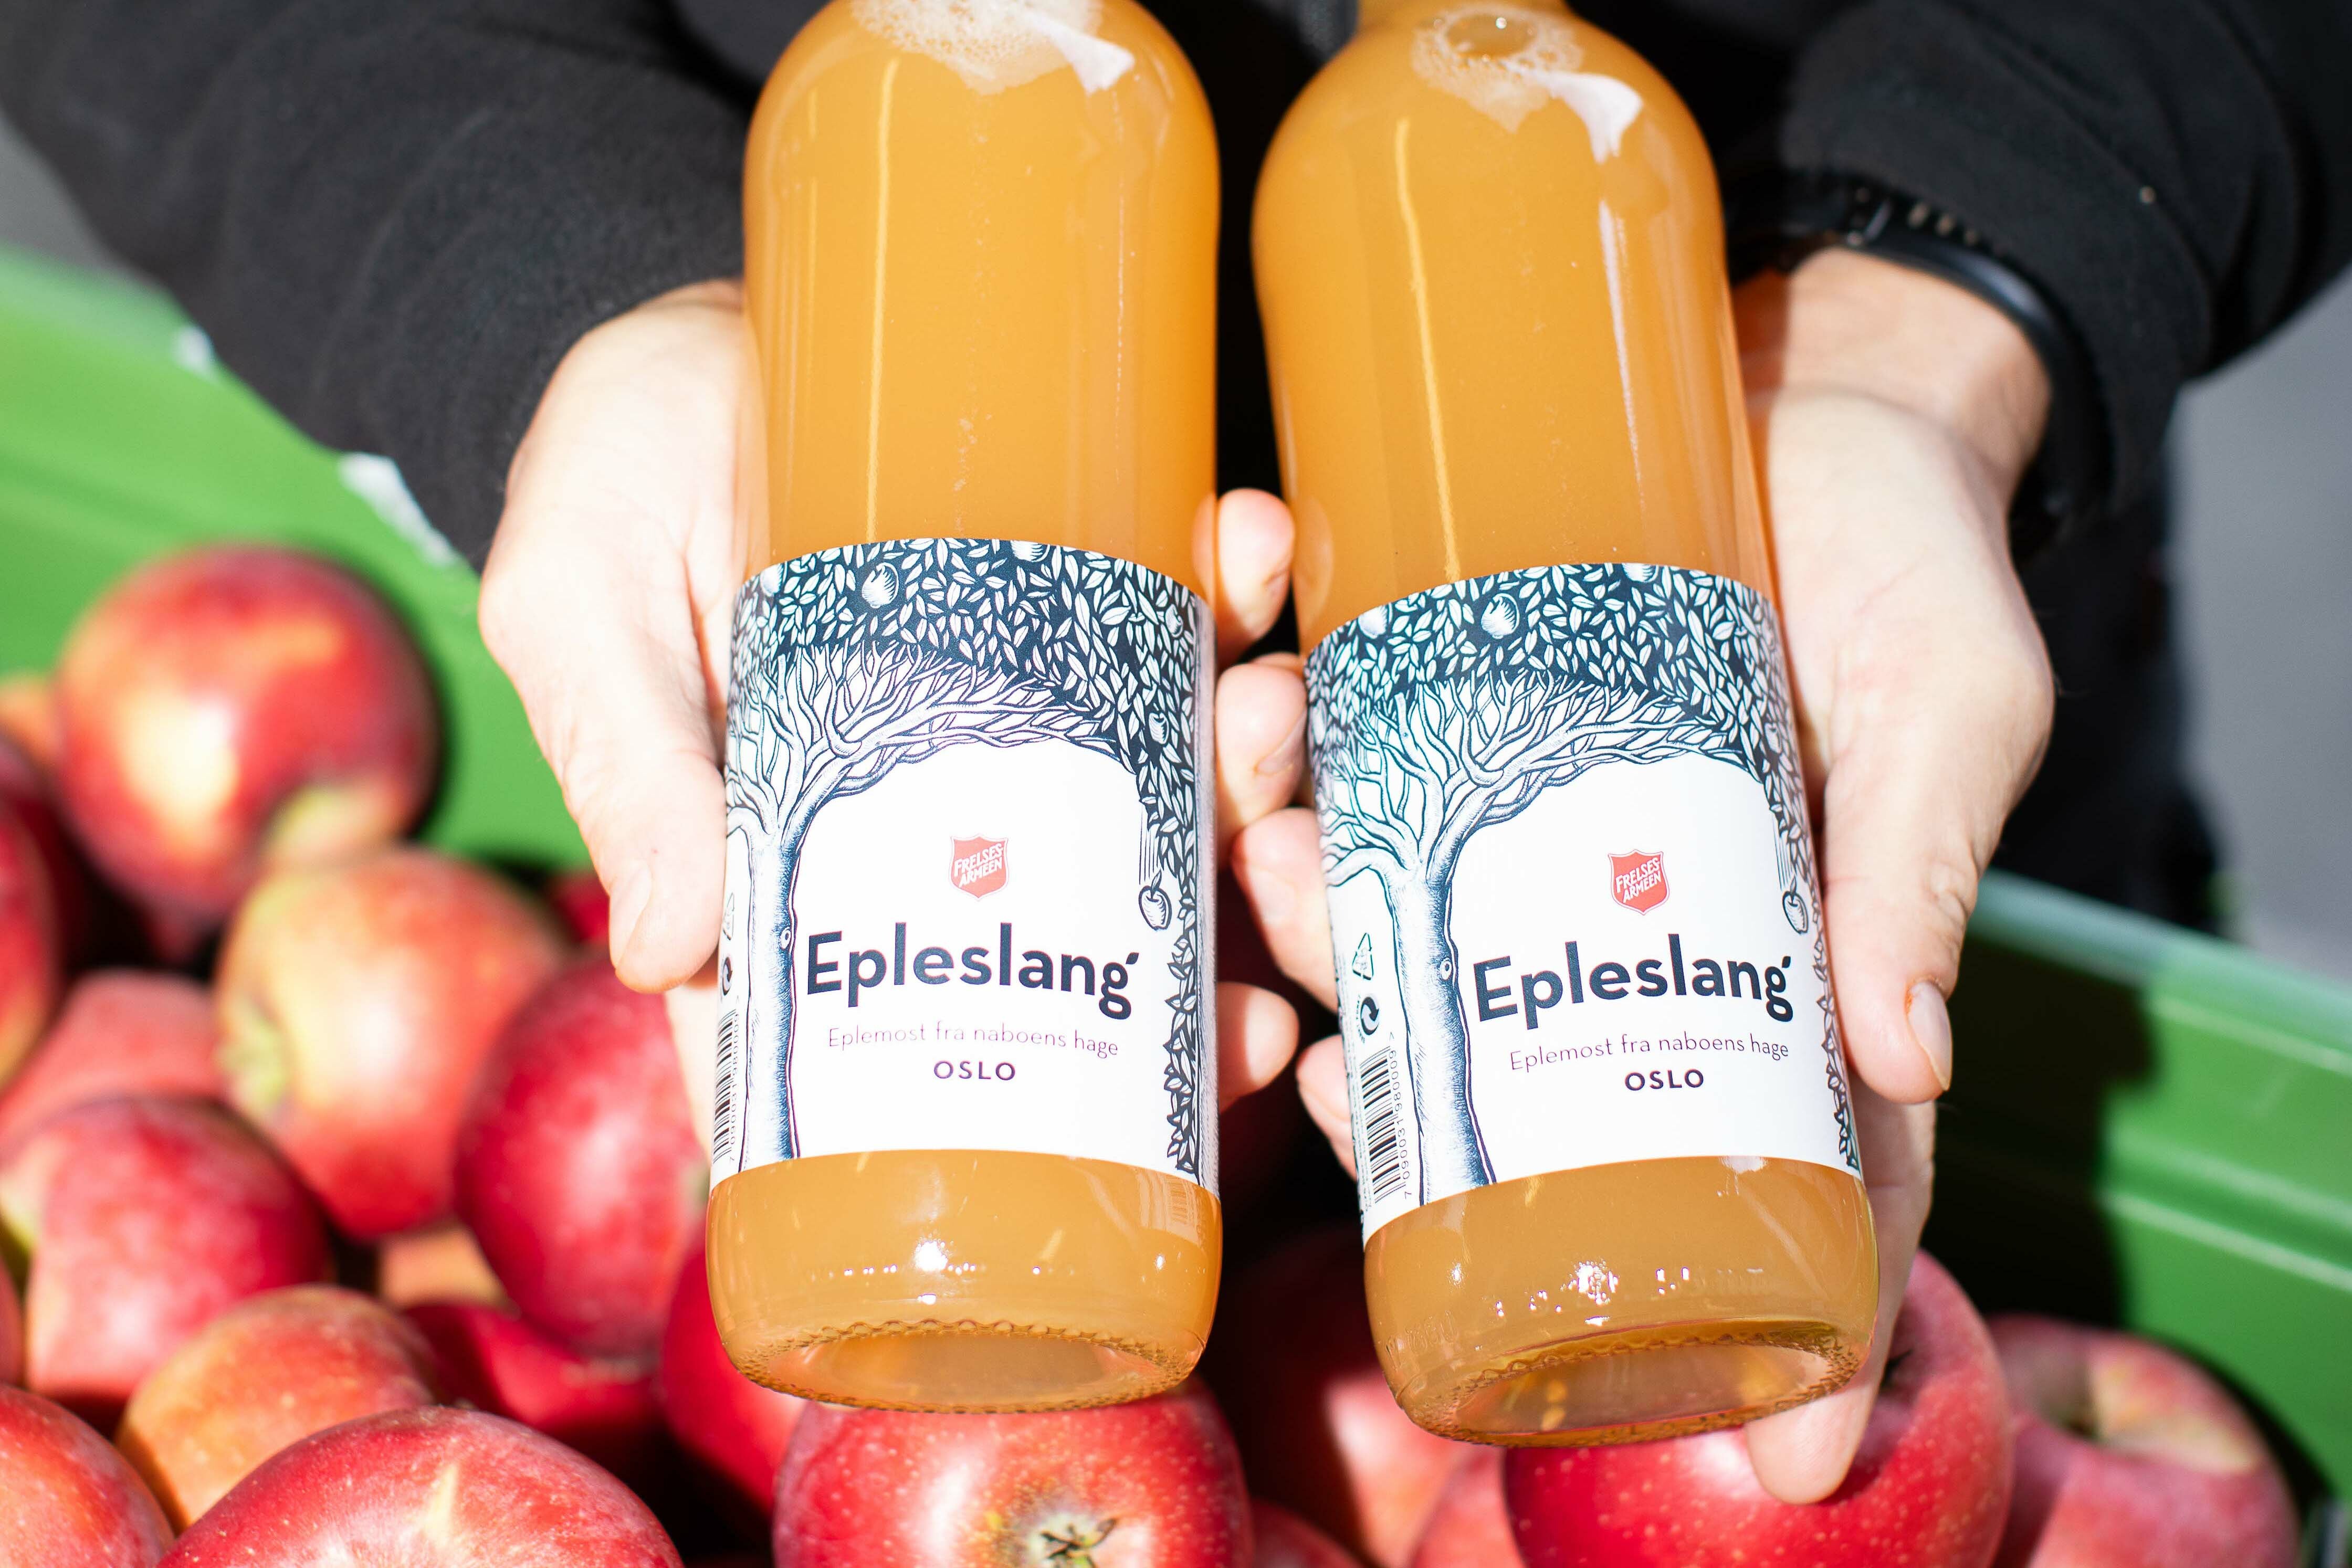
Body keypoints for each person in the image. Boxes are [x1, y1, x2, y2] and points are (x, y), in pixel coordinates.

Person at [5, 0, 2346, 1502]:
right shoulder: (940, 81)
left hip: (1817, 621)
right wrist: (554, 295)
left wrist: (1953, 304)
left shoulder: (1545, 112)